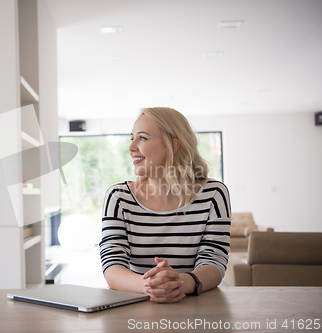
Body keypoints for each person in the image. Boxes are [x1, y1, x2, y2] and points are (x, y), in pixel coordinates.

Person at [99, 107, 231, 303]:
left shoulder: (213, 194)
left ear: (173, 146)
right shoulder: (118, 197)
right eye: (132, 138)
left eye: (142, 138)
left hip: (195, 305)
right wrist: (152, 286)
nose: (131, 147)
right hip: (138, 304)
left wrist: (180, 283)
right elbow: (112, 265)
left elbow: (214, 261)